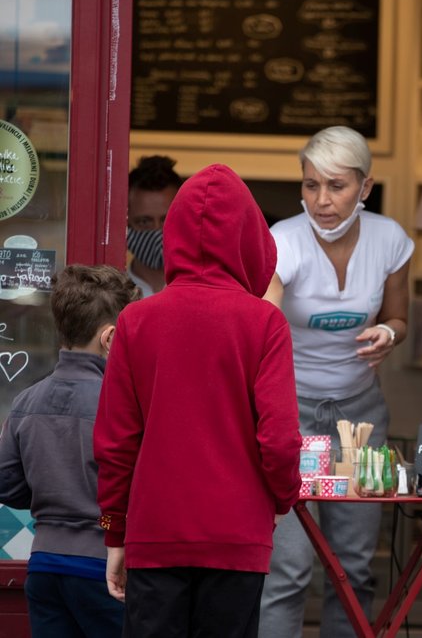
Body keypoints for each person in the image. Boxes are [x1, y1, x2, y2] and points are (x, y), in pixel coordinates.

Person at [94, 164, 302, 637]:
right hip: (238, 534)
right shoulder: (264, 323)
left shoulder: (135, 322)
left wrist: (115, 532)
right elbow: (280, 440)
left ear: (173, 235)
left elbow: (115, 443)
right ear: (250, 238)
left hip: (154, 531)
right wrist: (281, 497)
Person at [259, 126, 413, 638]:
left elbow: (400, 318)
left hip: (360, 416)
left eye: (336, 186)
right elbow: (262, 328)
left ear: (365, 187)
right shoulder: (282, 241)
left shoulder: (389, 239)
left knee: (352, 567)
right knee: (288, 567)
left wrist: (389, 333)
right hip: (292, 415)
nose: (321, 201)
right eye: (310, 185)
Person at [0, 264, 140, 637]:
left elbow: (7, 484)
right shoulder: (123, 406)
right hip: (105, 567)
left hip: (44, 565)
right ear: (110, 338)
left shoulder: (27, 399)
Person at [127, 155, 181, 297]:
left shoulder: (200, 293)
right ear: (126, 223)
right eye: (145, 221)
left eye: (167, 220)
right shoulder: (112, 296)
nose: (157, 231)